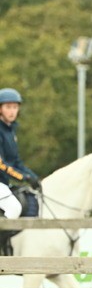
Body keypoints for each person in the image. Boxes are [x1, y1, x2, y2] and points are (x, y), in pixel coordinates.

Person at [0, 88, 40, 218]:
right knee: (14, 207)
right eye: (8, 107)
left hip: (4, 182)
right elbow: (1, 165)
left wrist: (33, 177)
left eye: (15, 107)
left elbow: (16, 161)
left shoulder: (10, 131)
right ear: (0, 109)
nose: (12, 111)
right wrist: (23, 178)